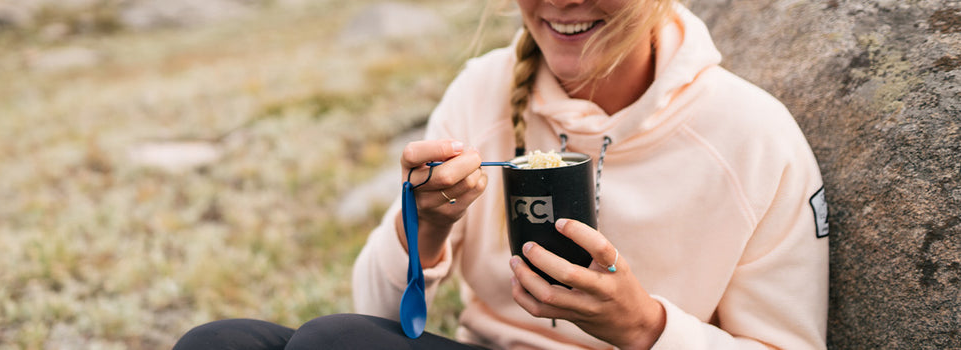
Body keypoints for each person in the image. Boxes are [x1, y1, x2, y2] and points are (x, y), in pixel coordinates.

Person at [175, 0, 828, 348]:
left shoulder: (752, 137)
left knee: (334, 345)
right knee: (220, 344)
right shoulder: (483, 91)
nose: (562, 2)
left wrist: (644, 327)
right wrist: (425, 225)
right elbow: (375, 311)